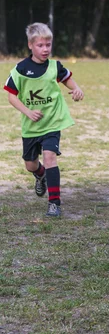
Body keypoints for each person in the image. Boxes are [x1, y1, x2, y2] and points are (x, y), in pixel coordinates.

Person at [4, 23, 84, 217]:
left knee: (50, 157)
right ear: (30, 45)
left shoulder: (54, 66)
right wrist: (28, 112)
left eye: (48, 44)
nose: (45, 49)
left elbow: (66, 77)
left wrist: (75, 88)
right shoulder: (20, 69)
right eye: (40, 45)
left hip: (52, 122)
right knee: (30, 164)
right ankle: (40, 176)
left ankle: (54, 203)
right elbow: (11, 96)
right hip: (31, 126)